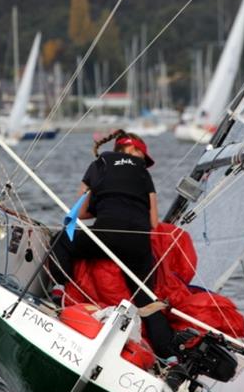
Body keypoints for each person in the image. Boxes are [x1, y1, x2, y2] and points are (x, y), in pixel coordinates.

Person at [52, 130, 175, 358]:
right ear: (135, 151)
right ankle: (170, 356)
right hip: (138, 245)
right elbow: (153, 221)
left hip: (106, 235)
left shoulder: (100, 163)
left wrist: (104, 206)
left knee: (61, 239)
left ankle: (58, 294)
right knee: (147, 301)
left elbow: (79, 211)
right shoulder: (143, 174)